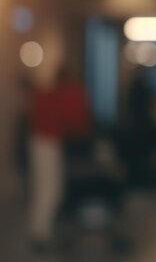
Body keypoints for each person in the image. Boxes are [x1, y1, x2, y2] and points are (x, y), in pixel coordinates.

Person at [28, 65, 91, 252]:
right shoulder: (60, 95)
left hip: (46, 143)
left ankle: (41, 230)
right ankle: (40, 233)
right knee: (49, 190)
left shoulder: (49, 94)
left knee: (50, 189)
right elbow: (78, 122)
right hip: (46, 143)